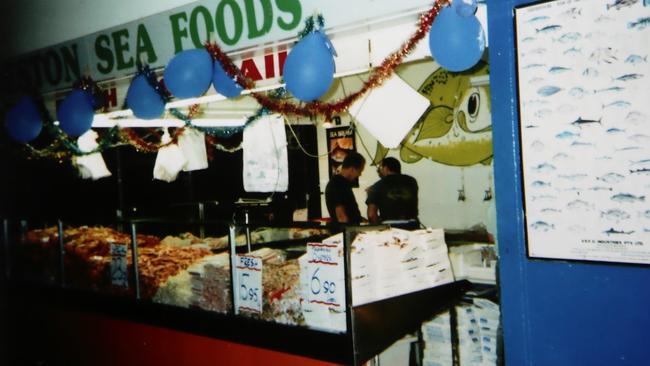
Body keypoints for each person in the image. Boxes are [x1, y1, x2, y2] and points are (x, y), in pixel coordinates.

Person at [366, 157, 419, 227]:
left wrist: (370, 193)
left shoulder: (377, 186)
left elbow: (371, 215)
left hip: (390, 227)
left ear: (386, 168)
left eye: (380, 167)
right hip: (412, 225)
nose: (378, 170)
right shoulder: (412, 181)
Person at [325, 151, 366, 224]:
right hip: (346, 232)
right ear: (352, 169)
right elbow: (341, 217)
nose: (360, 174)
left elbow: (350, 212)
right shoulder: (337, 184)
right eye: (359, 171)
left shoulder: (343, 183)